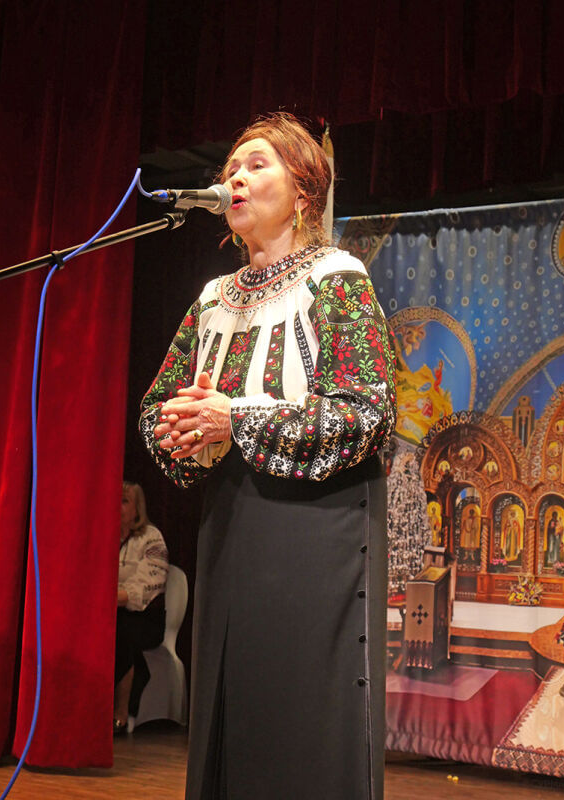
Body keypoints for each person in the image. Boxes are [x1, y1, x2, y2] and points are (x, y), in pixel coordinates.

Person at [139, 113, 397, 799]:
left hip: (319, 531)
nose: (236, 178)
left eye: (256, 165)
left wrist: (237, 418)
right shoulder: (211, 301)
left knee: (299, 719)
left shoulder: (336, 279)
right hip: (231, 526)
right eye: (230, 169)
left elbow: (366, 413)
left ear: (304, 192)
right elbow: (156, 408)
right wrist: (184, 434)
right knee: (234, 713)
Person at [114, 481, 169, 735]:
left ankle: (120, 713)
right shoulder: (105, 534)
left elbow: (146, 586)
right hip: (112, 612)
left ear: (138, 509)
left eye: (124, 501)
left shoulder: (151, 538)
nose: (117, 506)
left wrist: (108, 597)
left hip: (146, 617)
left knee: (119, 633)